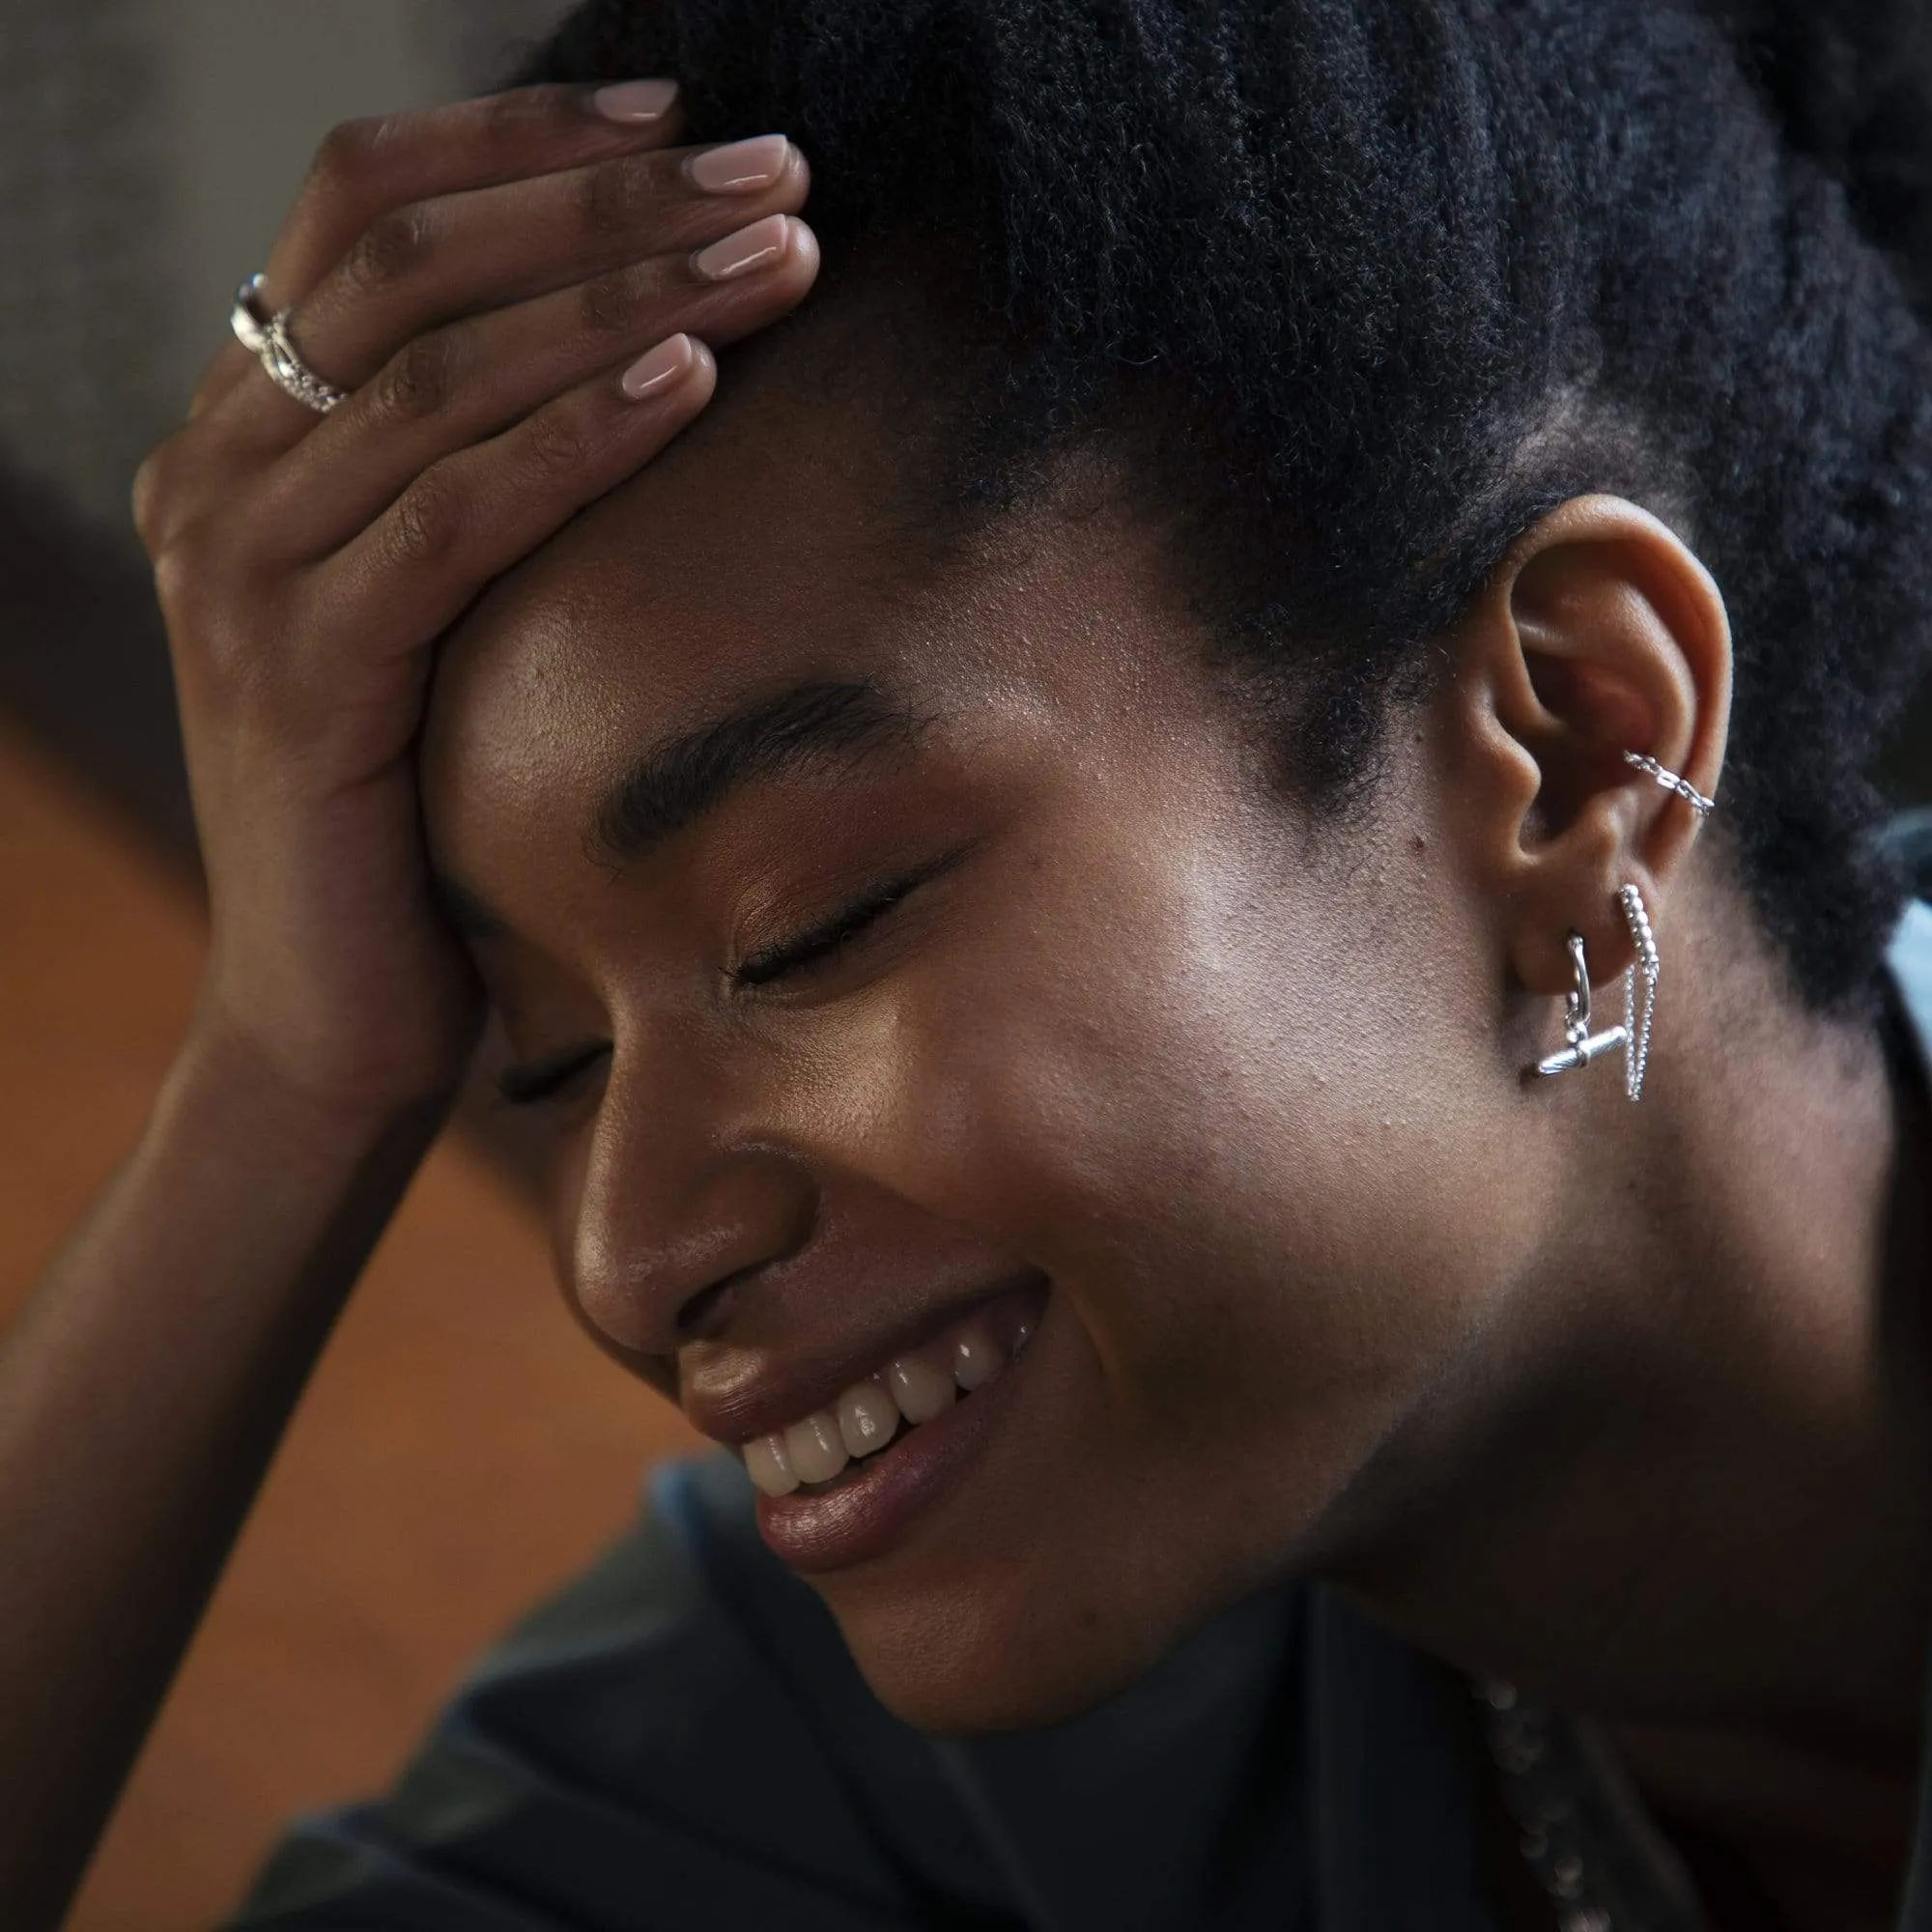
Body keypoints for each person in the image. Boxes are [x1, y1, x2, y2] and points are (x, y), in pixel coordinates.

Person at [3, 0, 1931, 1925]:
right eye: (547, 1061)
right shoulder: (936, 1743)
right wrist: (279, 1082)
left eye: (802, 932)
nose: (628, 1254)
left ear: (1576, 738)